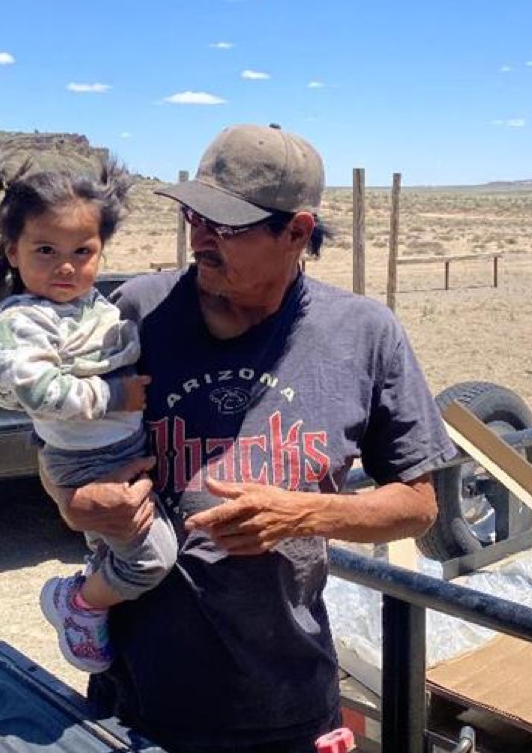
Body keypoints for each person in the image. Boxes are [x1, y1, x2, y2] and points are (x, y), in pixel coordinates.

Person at [41, 124, 457, 753]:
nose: (199, 239)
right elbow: (56, 441)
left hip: (286, 708)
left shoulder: (364, 333)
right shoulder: (134, 312)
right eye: (193, 215)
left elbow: (420, 504)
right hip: (138, 698)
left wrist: (307, 514)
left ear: (296, 231)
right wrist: (71, 500)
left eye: (226, 225)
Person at [0, 158, 178, 674]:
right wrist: (114, 396)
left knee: (131, 544)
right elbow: (39, 391)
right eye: (46, 251)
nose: (66, 266)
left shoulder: (91, 306)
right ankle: (81, 604)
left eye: (82, 252)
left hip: (118, 451)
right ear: (14, 251)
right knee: (152, 558)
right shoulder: (20, 322)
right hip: (85, 462)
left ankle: (96, 589)